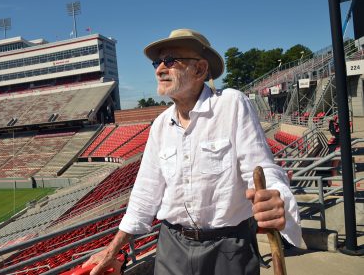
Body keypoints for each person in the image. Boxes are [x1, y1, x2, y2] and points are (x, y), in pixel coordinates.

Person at [84, 29, 303, 275]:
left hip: (228, 247)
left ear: (199, 69)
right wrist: (112, 250)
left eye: (170, 61)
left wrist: (276, 197)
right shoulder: (160, 125)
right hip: (171, 246)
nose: (159, 69)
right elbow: (144, 196)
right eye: (157, 62)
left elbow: (263, 170)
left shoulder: (231, 104)